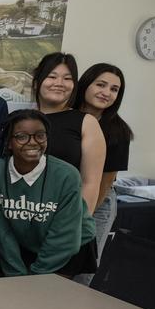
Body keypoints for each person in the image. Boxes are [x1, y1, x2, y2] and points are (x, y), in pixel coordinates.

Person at [0, 110, 96, 278]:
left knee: (54, 301)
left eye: (40, 136)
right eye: (22, 136)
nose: (32, 143)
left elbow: (64, 237)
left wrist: (37, 276)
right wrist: (16, 274)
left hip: (68, 247)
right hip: (23, 246)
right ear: (9, 142)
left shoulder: (67, 175)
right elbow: (1, 233)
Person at [31, 53, 105, 214]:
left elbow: (90, 183)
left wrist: (79, 226)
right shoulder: (20, 120)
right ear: (37, 82)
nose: (59, 83)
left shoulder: (86, 123)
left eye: (67, 78)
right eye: (52, 76)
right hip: (20, 214)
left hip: (64, 218)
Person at [73, 63, 132, 255]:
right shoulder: (66, 118)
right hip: (64, 198)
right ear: (86, 84)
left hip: (98, 202)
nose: (106, 92)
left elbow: (105, 182)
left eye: (114, 89)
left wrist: (84, 218)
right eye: (101, 85)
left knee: (83, 267)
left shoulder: (118, 131)